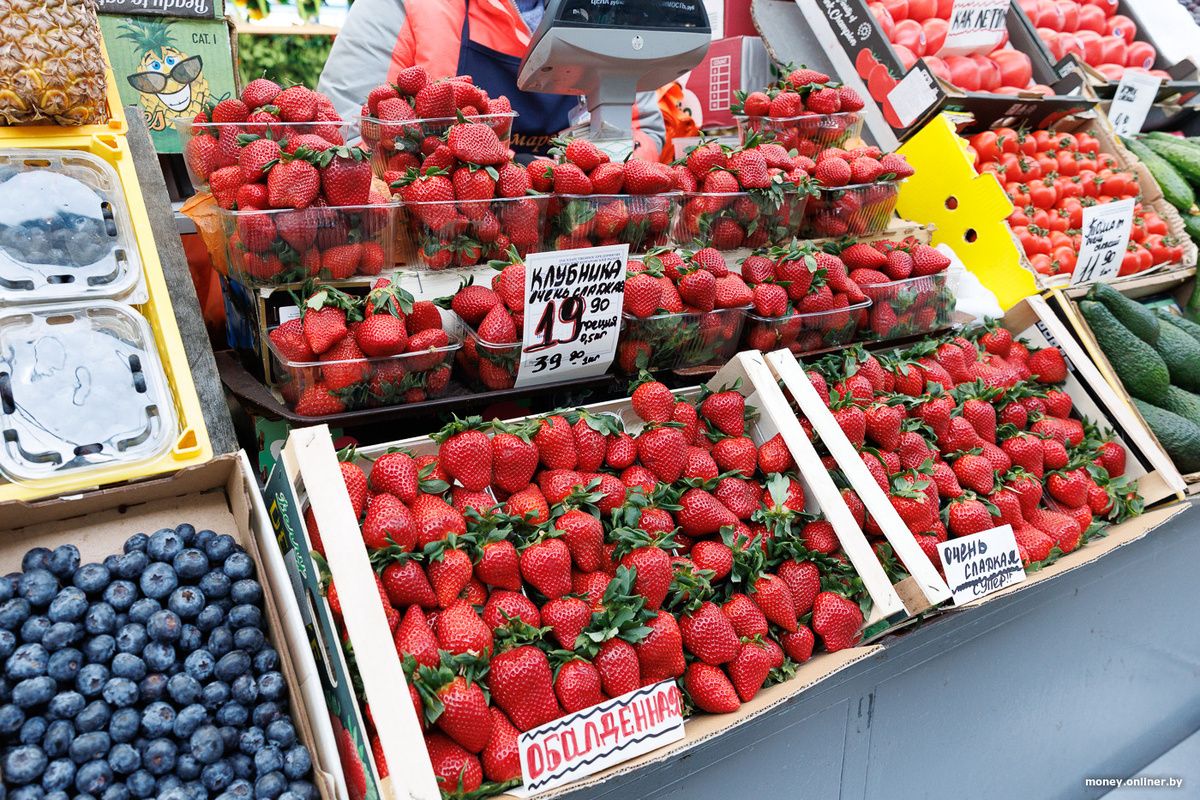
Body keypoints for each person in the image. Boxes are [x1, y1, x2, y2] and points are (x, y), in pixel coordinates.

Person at [317, 0, 666, 159]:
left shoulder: (610, 9)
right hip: (445, 243)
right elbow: (344, 140)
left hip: (575, 243)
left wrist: (601, 171)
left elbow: (643, 132)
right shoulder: (403, 6)